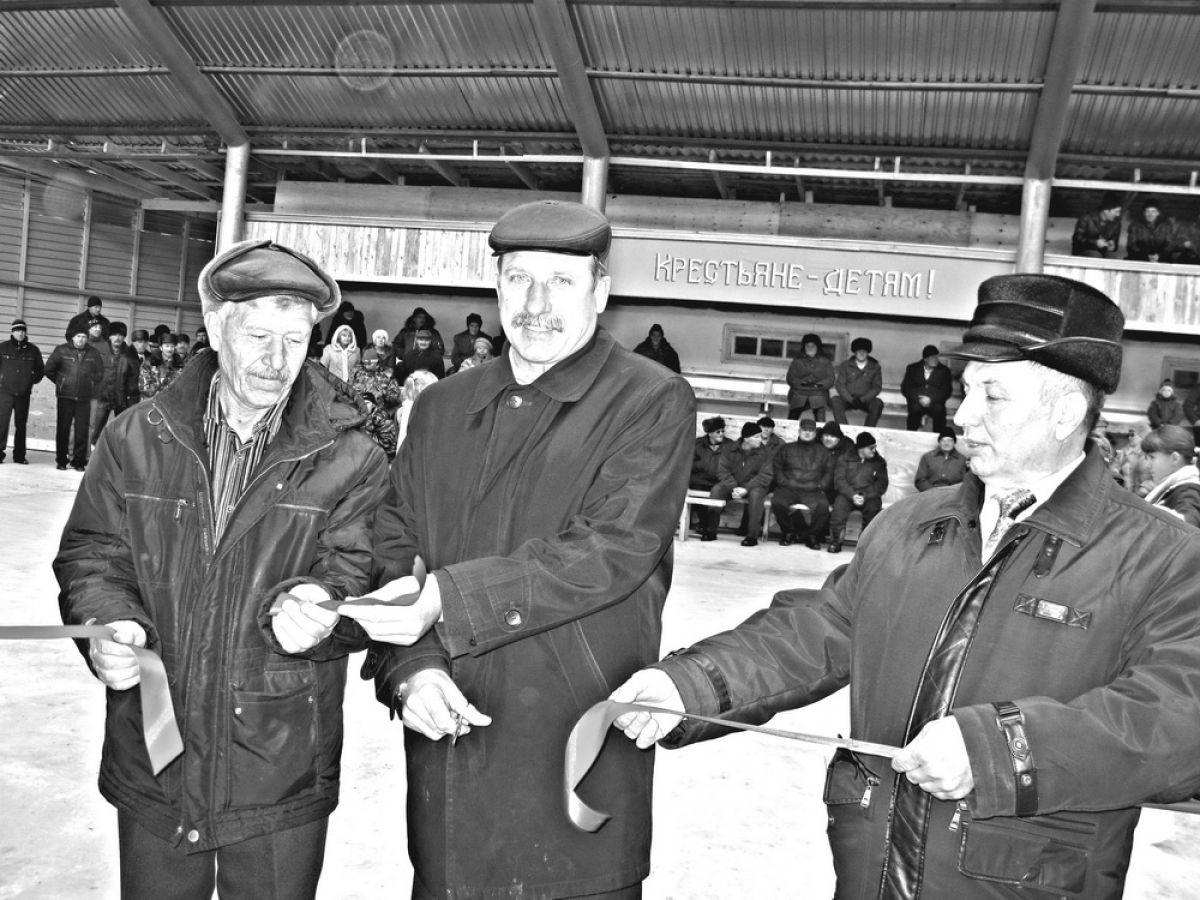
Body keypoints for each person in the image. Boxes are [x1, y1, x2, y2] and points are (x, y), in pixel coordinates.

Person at [611, 272, 1200, 900]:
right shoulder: (912, 523)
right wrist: (692, 683)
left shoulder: (1162, 555)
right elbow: (821, 627)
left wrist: (1000, 749)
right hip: (873, 869)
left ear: (1066, 413)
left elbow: (1178, 717)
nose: (963, 415)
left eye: (993, 395)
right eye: (966, 390)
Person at [350, 199, 695, 899]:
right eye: (519, 279)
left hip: (574, 754)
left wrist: (445, 598)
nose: (536, 305)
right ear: (497, 286)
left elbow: (611, 548)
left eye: (561, 281)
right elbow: (394, 545)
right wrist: (412, 670)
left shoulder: (650, 401)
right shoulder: (443, 406)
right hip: (449, 752)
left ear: (601, 290)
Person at [53, 239, 389, 900]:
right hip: (158, 739)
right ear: (214, 327)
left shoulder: (353, 459)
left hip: (278, 755)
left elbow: (363, 574)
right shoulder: (135, 437)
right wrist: (107, 623)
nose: (276, 360)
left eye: (295, 340)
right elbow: (93, 555)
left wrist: (323, 606)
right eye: (258, 335)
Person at [700, 422, 773, 546]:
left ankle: (752, 536)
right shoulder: (729, 449)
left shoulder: (765, 453)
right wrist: (733, 487)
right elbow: (722, 471)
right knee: (717, 490)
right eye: (756, 437)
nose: (760, 440)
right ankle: (710, 531)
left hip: (754, 486)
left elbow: (765, 475)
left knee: (756, 495)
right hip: (733, 485)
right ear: (746, 438)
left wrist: (746, 489)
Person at [44, 326, 104, 471]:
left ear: (87, 338)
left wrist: (90, 383)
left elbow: (100, 372)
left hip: (84, 397)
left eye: (84, 337)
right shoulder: (61, 350)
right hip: (65, 396)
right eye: (78, 336)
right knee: (63, 429)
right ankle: (61, 460)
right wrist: (61, 382)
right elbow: (49, 369)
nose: (81, 339)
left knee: (82, 431)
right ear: (72, 337)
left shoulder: (93, 352)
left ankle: (79, 461)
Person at [770, 416, 832, 549]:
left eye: (811, 430)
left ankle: (812, 536)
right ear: (799, 431)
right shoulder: (787, 448)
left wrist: (820, 485)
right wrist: (784, 482)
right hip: (788, 488)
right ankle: (788, 532)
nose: (807, 433)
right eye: (804, 430)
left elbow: (828, 472)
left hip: (812, 490)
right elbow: (777, 467)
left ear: (815, 433)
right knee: (777, 502)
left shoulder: (823, 452)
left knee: (823, 506)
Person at [828, 430, 888, 553]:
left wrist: (864, 495)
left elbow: (881, 484)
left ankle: (864, 545)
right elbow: (839, 480)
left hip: (869, 496)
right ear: (861, 448)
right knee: (838, 510)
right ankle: (836, 542)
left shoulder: (879, 462)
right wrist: (852, 495)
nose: (874, 450)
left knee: (873, 512)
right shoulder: (845, 458)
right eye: (871, 448)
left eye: (875, 447)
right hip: (848, 494)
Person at [0, 318, 44, 464]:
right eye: (18, 330)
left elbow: (40, 370)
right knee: (1, 424)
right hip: (5, 393)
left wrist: (30, 381)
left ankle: (19, 456)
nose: (20, 333)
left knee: (21, 425)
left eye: (23, 331)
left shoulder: (33, 350)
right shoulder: (3, 348)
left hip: (23, 394)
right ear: (12, 332)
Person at [89, 322, 138, 447]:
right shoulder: (101, 351)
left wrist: (131, 399)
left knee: (121, 434)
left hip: (121, 400)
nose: (118, 338)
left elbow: (133, 379)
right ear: (109, 336)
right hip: (102, 398)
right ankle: (91, 454)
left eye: (121, 335)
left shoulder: (129, 354)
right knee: (94, 431)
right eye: (114, 334)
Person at [1141, 424, 1200, 528]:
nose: (1147, 465)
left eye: (1152, 457)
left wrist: (1150, 512)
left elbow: (1188, 524)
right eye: (1147, 458)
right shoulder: (1177, 487)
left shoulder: (1188, 489)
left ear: (1175, 458)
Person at [831, 336, 884, 427]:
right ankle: (844, 428)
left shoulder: (875, 367)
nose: (861, 353)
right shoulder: (845, 365)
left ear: (868, 352)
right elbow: (840, 385)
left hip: (866, 400)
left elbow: (876, 387)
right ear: (855, 352)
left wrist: (863, 399)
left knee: (878, 403)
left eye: (864, 351)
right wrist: (851, 400)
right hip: (848, 399)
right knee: (835, 400)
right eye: (859, 351)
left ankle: (868, 430)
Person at [901, 343, 954, 432]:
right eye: (933, 358)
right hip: (917, 401)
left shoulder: (944, 371)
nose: (936, 360)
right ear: (925, 359)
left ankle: (938, 436)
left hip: (935, 402)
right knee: (914, 410)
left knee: (939, 411)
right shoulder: (913, 368)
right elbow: (906, 388)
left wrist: (931, 399)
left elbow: (946, 390)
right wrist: (919, 399)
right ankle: (912, 434)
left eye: (937, 357)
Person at [785, 333, 834, 421]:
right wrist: (801, 383)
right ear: (804, 347)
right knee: (792, 419)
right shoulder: (797, 361)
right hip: (799, 393)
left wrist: (818, 385)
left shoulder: (826, 361)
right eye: (808, 346)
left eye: (813, 346)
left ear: (818, 347)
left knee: (820, 419)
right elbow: (790, 378)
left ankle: (820, 429)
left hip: (818, 394)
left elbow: (830, 379)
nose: (810, 348)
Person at [351, 348, 402, 417]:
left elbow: (396, 397)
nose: (366, 365)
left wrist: (383, 393)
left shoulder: (387, 375)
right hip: (358, 411)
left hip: (379, 413)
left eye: (369, 362)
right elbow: (347, 389)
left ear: (377, 362)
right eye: (365, 362)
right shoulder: (356, 372)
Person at [915, 428, 967, 492]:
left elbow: (966, 483)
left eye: (950, 440)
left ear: (954, 442)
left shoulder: (962, 460)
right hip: (930, 494)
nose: (946, 443)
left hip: (953, 494)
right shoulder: (927, 457)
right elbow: (920, 480)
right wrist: (933, 492)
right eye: (943, 440)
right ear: (939, 442)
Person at [139, 332, 184, 400]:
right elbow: (143, 386)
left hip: (171, 401)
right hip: (150, 401)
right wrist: (159, 389)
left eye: (172, 346)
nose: (169, 349)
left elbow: (182, 387)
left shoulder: (180, 365)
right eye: (167, 346)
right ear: (161, 347)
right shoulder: (149, 363)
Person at [690, 415, 727, 493]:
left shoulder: (730, 445)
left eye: (723, 431)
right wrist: (702, 464)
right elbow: (688, 464)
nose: (721, 434)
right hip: (699, 482)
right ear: (710, 433)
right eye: (718, 432)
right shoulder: (697, 444)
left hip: (720, 483)